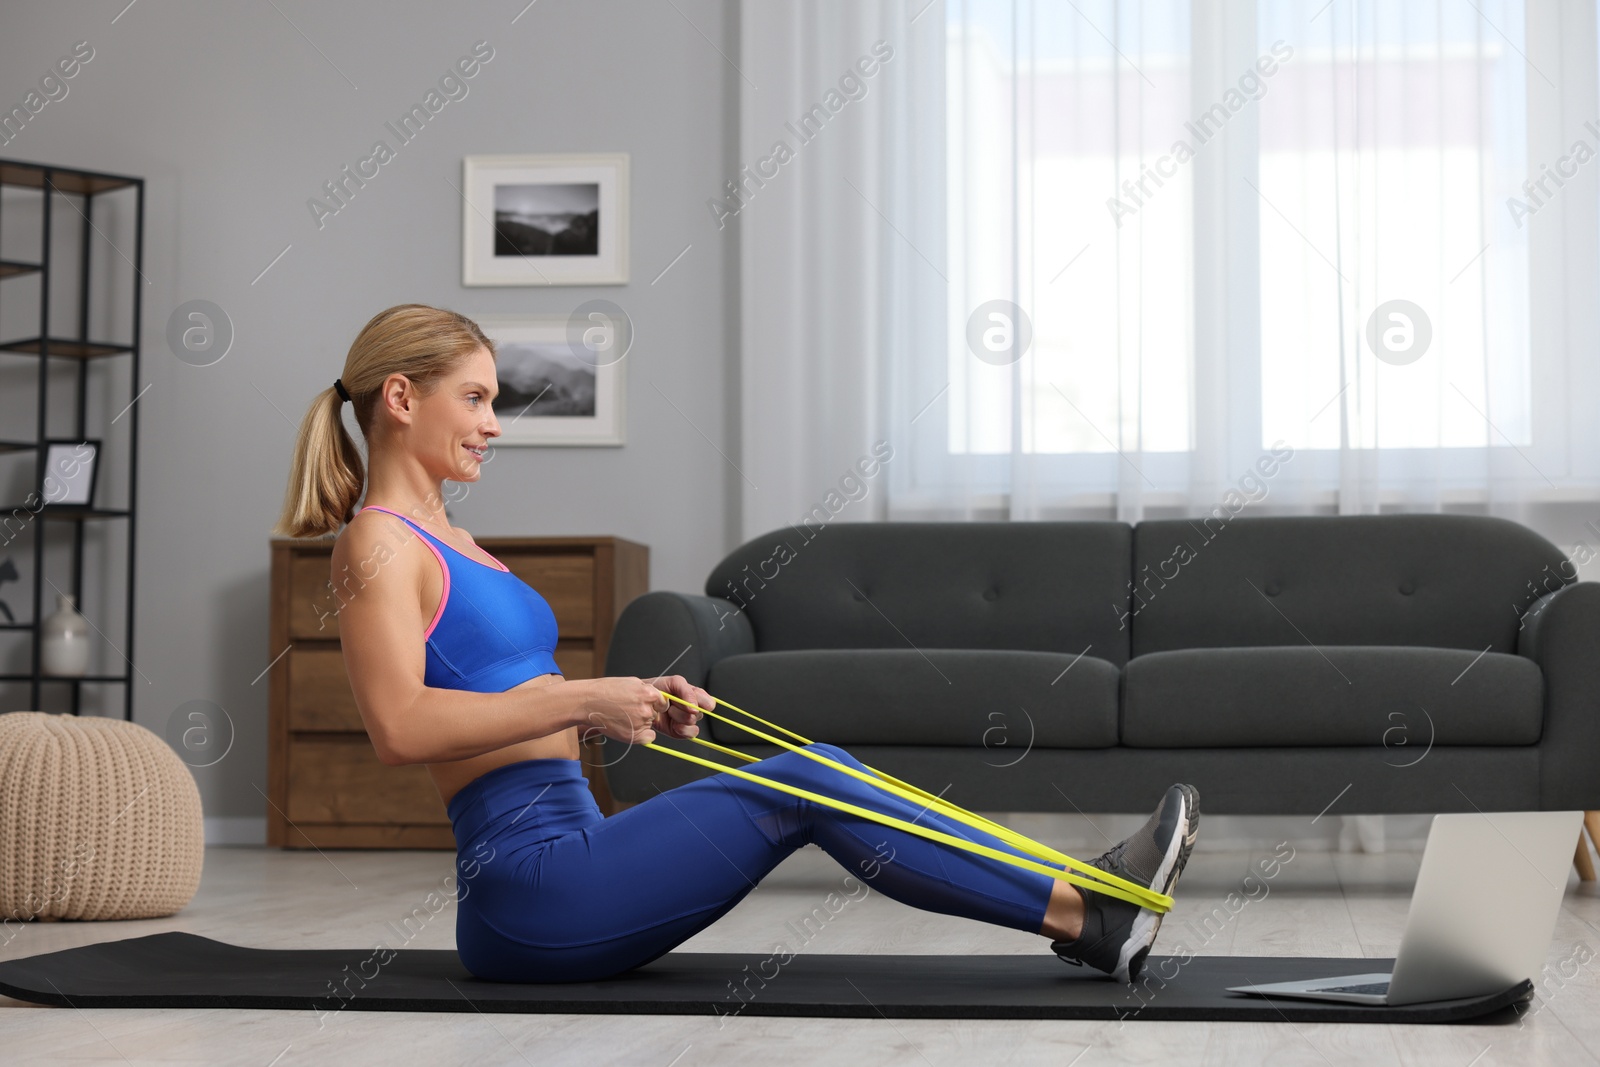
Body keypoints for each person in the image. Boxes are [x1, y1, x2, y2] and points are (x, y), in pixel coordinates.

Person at [272, 303, 1200, 986]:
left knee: (812, 766)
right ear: (400, 397)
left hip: (578, 850)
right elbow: (399, 726)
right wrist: (584, 697)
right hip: (527, 894)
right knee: (813, 778)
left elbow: (509, 709)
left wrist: (624, 715)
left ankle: (1089, 898)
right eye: (474, 398)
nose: (493, 422)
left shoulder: (459, 544)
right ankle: (1091, 913)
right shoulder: (376, 541)